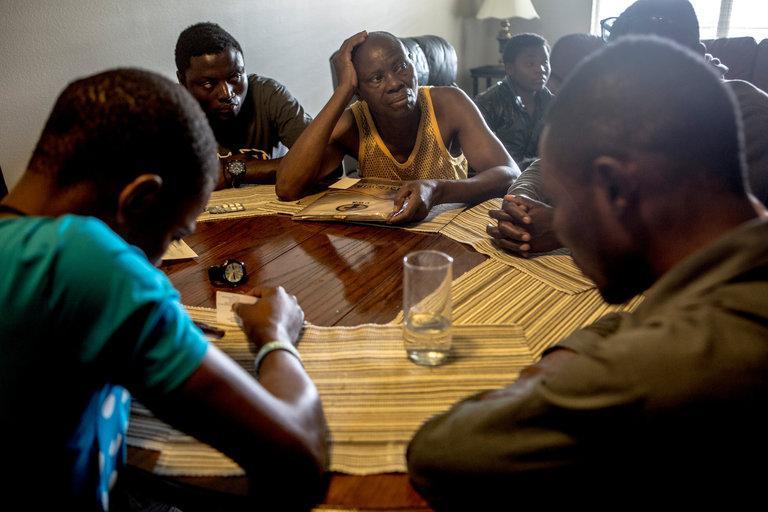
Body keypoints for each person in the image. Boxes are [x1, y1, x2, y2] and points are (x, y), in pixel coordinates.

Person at [407, 36, 768, 508]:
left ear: (615, 189)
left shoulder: (662, 364)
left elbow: (441, 452)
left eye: (562, 202)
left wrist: (274, 341)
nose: (559, 225)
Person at [0, 69, 328, 511]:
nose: (157, 262)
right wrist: (275, 336)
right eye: (173, 233)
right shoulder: (81, 258)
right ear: (138, 201)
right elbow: (299, 457)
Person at [489, 0, 768, 256]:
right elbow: (551, 164)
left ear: (696, 56)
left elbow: (711, 235)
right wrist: (521, 203)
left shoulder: (747, 116)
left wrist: (568, 230)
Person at [275, 31, 518, 224]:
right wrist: (342, 91)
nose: (395, 83)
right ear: (358, 92)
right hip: (383, 241)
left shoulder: (447, 103)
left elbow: (509, 174)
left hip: (449, 236)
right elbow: (287, 187)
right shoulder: (354, 122)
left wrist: (437, 190)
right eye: (377, 78)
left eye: (401, 66)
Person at [175, 22, 313, 189]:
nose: (226, 93)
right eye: (208, 83)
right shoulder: (169, 110)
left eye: (235, 77)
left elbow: (326, 160)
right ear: (182, 82)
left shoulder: (267, 94)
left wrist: (236, 170)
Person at [474, 33, 554, 170]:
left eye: (545, 62)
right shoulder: (487, 103)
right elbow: (477, 158)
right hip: (500, 180)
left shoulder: (552, 102)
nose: (541, 70)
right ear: (510, 68)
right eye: (530, 64)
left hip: (538, 178)